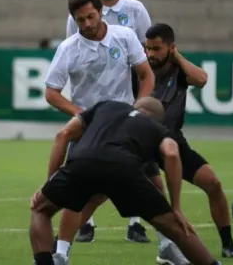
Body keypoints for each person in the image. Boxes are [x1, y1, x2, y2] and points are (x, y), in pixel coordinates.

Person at [30, 98, 223, 265]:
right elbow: (172, 154)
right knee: (175, 228)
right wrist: (177, 208)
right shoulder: (159, 129)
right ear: (158, 118)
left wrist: (51, 184)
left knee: (40, 209)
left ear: (133, 106)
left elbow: (62, 135)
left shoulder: (106, 106)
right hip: (125, 170)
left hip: (82, 162)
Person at [46, 0, 165, 262]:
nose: (86, 24)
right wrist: (82, 115)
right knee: (81, 195)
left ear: (101, 12)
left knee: (155, 185)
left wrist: (139, 108)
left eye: (90, 16)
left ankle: (167, 243)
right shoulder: (68, 49)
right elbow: (51, 92)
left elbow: (145, 74)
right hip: (89, 131)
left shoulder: (124, 36)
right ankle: (60, 252)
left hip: (126, 127)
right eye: (80, 20)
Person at [63, 0, 155, 245]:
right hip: (90, 103)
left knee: (138, 163)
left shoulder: (135, 11)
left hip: (125, 98)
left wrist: (142, 103)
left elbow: (148, 53)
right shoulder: (78, 13)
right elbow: (73, 53)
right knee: (81, 162)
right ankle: (85, 223)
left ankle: (136, 223)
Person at [145, 23, 233, 259]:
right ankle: (62, 244)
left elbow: (201, 79)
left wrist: (177, 57)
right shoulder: (140, 67)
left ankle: (228, 244)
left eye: (157, 49)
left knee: (213, 184)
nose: (151, 55)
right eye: (148, 48)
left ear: (171, 47)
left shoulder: (180, 71)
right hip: (142, 142)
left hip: (173, 140)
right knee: (101, 191)